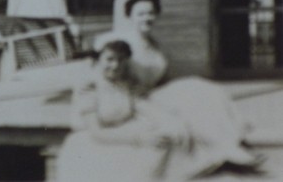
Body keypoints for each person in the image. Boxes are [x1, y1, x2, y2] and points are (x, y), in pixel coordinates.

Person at [94, 0, 263, 173]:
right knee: (188, 108)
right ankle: (225, 149)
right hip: (133, 99)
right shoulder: (119, 42)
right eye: (141, 14)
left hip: (152, 94)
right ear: (130, 16)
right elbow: (102, 74)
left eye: (151, 13)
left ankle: (233, 142)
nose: (147, 18)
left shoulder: (155, 45)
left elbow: (162, 77)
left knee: (202, 89)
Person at [57, 39, 193, 182]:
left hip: (124, 135)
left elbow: (142, 105)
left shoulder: (125, 83)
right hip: (97, 143)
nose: (115, 65)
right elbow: (97, 133)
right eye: (109, 59)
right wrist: (138, 139)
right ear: (98, 60)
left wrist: (169, 120)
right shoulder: (90, 87)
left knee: (164, 142)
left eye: (121, 60)